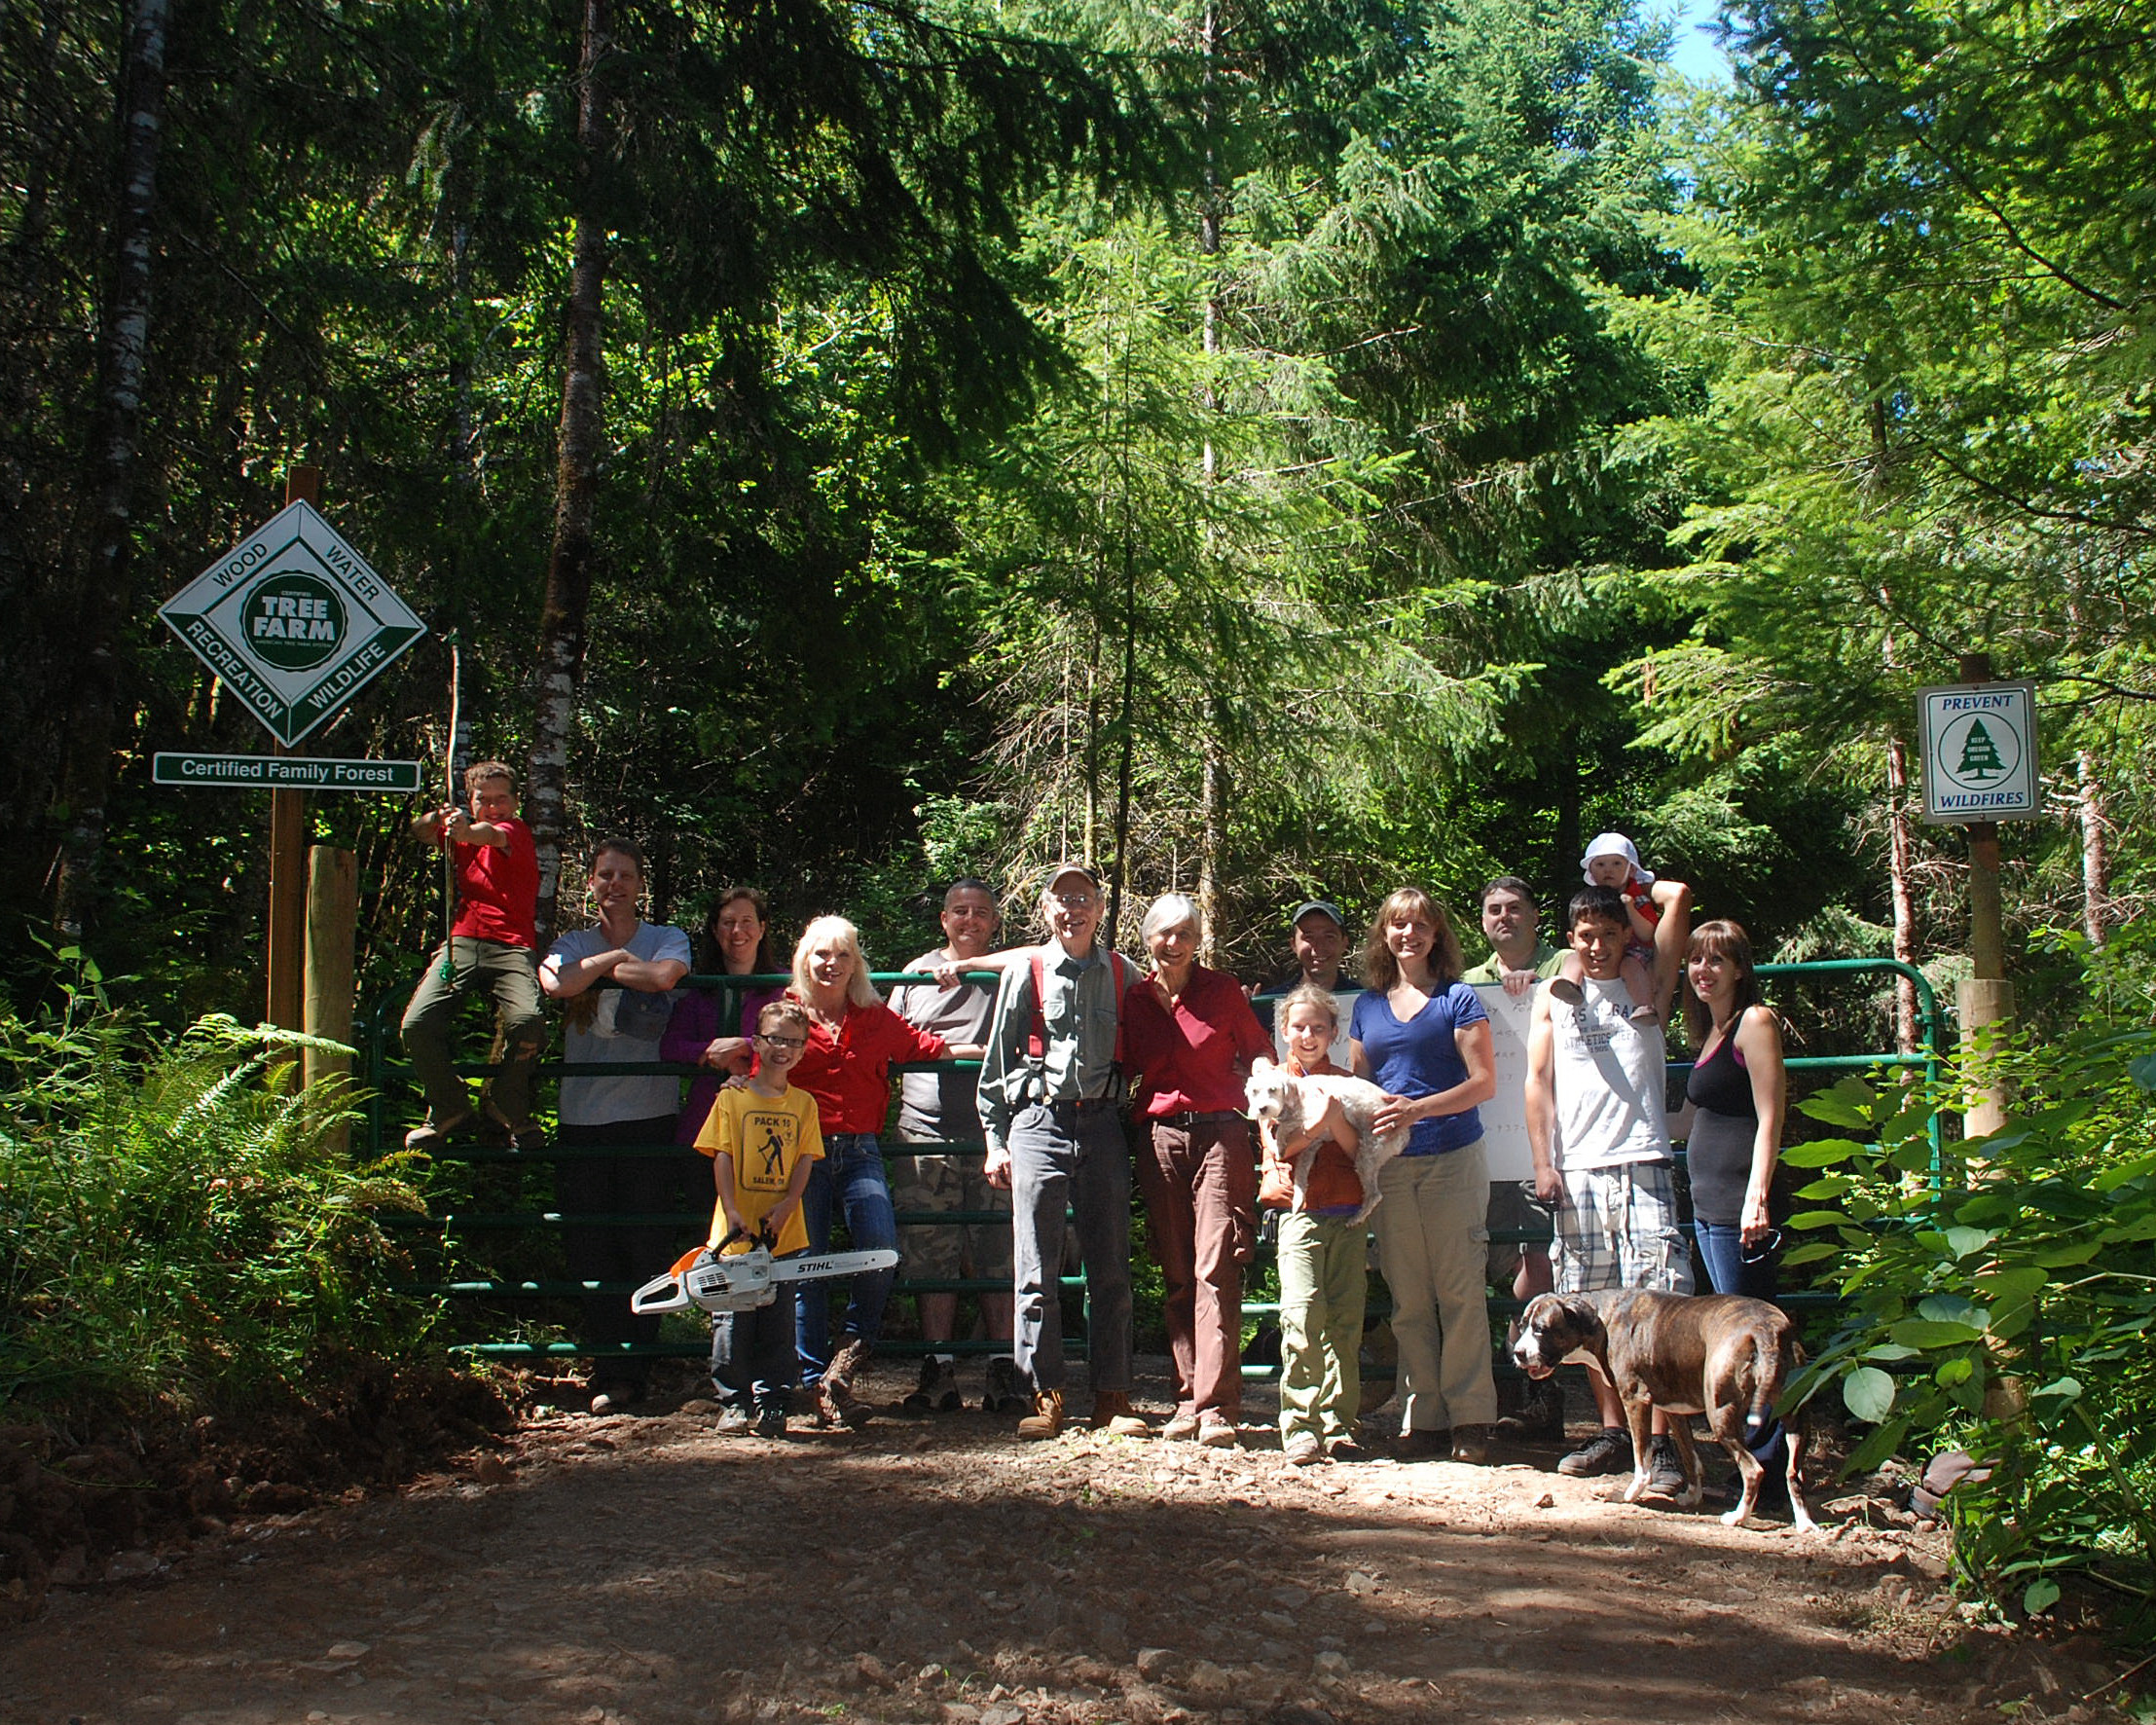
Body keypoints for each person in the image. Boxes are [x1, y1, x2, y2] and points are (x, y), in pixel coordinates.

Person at [1524, 883, 1695, 1488]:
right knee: (1589, 1307)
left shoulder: (1651, 986)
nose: (1597, 947)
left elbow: (1678, 903)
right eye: (1586, 936)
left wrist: (1634, 884)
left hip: (1643, 1157)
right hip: (1578, 1169)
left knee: (1657, 1303)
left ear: (1628, 935)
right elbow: (1537, 1082)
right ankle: (1614, 1433)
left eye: (1609, 934)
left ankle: (1665, 1443)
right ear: (1570, 940)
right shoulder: (1554, 995)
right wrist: (1544, 1162)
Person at [975, 862, 1147, 1441]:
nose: (1073, 908)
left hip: (1103, 1125)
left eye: (1084, 898)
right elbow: (997, 1063)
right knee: (1035, 1269)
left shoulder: (1126, 975)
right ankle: (1043, 1394)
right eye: (1062, 898)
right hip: (1037, 1123)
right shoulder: (1025, 973)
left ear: (1101, 909)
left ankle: (1113, 1397)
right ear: (1046, 910)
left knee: (1111, 1266)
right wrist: (995, 1140)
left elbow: (1166, 1030)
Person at [786, 914, 975, 1428]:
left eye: (842, 954)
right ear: (805, 959)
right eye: (821, 954)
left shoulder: (872, 1017)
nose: (831, 963)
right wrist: (725, 1057)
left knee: (880, 1253)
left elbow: (926, 1048)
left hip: (860, 1151)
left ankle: (846, 1360)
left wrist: (1003, 1053)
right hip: (801, 1153)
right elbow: (757, 1058)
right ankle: (812, 1385)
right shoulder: (787, 1013)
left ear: (855, 963)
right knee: (808, 1265)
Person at [539, 838, 693, 1416]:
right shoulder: (571, 942)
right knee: (590, 1249)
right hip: (581, 1120)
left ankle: (637, 1371)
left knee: (646, 1244)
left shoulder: (666, 936)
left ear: (639, 884)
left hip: (650, 1117)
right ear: (591, 883)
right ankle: (608, 1370)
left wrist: (597, 971)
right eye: (605, 875)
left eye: (625, 875)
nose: (615, 884)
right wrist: (607, 963)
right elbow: (557, 984)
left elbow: (663, 977)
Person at [1350, 888, 1499, 1463]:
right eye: (1397, 925)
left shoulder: (1458, 1000)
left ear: (1437, 935)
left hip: (1452, 1157)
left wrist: (1418, 1108)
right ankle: (1426, 1417)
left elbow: (1484, 1083)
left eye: (1419, 925)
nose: (1408, 934)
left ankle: (1472, 1417)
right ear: (1384, 935)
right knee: (1409, 1298)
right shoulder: (1366, 1006)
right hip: (1391, 1168)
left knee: (1460, 1289)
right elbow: (1360, 1086)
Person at [1124, 893, 1274, 1446]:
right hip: (1161, 1137)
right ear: (1149, 940)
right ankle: (1185, 1397)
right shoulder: (1135, 999)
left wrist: (1266, 1088)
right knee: (1177, 1270)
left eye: (1185, 932)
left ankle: (1216, 1407)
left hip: (1220, 1135)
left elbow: (1260, 1051)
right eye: (1164, 933)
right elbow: (1119, 1063)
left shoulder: (1223, 990)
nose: (1174, 942)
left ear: (1197, 940)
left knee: (1217, 1265)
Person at [888, 878, 1020, 1414]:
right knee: (930, 1254)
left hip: (996, 1135)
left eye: (981, 913)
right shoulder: (912, 976)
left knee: (997, 1256)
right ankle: (937, 1368)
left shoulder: (1009, 973)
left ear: (993, 923)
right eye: (959, 912)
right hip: (924, 1133)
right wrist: (965, 1048)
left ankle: (1002, 1368)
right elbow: (893, 1042)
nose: (970, 921)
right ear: (943, 920)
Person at [1676, 918, 1791, 1493]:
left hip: (1739, 1208)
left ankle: (1767, 1469)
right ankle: (1757, 1462)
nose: (1703, 971)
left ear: (1740, 969)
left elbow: (1771, 1114)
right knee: (1737, 1335)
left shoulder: (1755, 1022)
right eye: (1696, 960)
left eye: (1717, 961)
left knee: (1753, 1337)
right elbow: (1697, 1119)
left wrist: (1758, 1197)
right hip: (1708, 1205)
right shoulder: (1714, 1033)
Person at [1460, 875, 1564, 1437]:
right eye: (1494, 909)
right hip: (1483, 1144)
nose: (1505, 918)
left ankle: (1543, 1401)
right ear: (1482, 921)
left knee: (1538, 1268)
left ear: (1534, 915)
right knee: (1483, 1268)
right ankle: (1495, 1397)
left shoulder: (1562, 962)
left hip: (1548, 1143)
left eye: (1515, 908)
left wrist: (1544, 986)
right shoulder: (1468, 982)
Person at [397, 761, 545, 1151]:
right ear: (471, 800)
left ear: (515, 802)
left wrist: (466, 828)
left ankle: (505, 1102)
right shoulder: (459, 831)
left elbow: (491, 835)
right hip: (463, 940)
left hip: (512, 944)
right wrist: (440, 817)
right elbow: (419, 831)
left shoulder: (514, 830)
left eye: (502, 799)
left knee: (528, 1021)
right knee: (416, 1025)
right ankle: (449, 1107)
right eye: (484, 800)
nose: (493, 807)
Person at [698, 997, 822, 1440]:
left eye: (792, 1042)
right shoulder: (733, 1099)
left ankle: (773, 1400)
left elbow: (806, 1157)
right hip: (734, 1232)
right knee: (732, 1319)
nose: (782, 1049)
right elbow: (723, 1154)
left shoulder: (804, 1104)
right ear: (756, 1042)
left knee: (778, 1318)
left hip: (784, 1233)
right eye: (773, 1040)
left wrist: (790, 1203)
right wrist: (732, 1210)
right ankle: (733, 1402)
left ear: (804, 1048)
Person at [1256, 983, 1370, 1466]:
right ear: (1283, 1031)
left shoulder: (1346, 1082)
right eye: (1299, 1027)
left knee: (1345, 1321)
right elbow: (1281, 1144)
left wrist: (1329, 1121)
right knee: (1302, 1315)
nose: (1308, 1035)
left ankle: (1339, 1423)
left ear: (1334, 1033)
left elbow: (1357, 1150)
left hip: (1346, 1210)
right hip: (1297, 1213)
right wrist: (1321, 1124)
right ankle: (1300, 1424)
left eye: (1318, 1028)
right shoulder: (1270, 1084)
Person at [662, 887, 785, 1146]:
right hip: (706, 1125)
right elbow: (671, 1046)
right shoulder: (698, 989)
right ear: (716, 931)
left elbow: (800, 1042)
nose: (737, 931)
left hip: (766, 1125)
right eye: (728, 923)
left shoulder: (785, 987)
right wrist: (714, 1053)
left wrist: (744, 1046)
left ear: (762, 929)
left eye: (746, 922)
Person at [1553, 833, 1692, 1024]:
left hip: (1634, 954)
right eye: (1600, 865)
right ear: (1591, 872)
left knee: (1630, 966)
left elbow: (1647, 931)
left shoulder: (1636, 898)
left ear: (1631, 869)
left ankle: (1644, 1006)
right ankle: (1569, 987)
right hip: (1597, 978)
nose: (1608, 870)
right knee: (1572, 958)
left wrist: (1634, 893)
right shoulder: (1588, 901)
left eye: (1617, 864)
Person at [1258, 900, 1361, 1067]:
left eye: (1329, 937)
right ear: (1293, 944)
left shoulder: (1366, 1001)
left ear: (1344, 942)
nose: (1318, 947)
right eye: (1308, 937)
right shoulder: (1267, 1005)